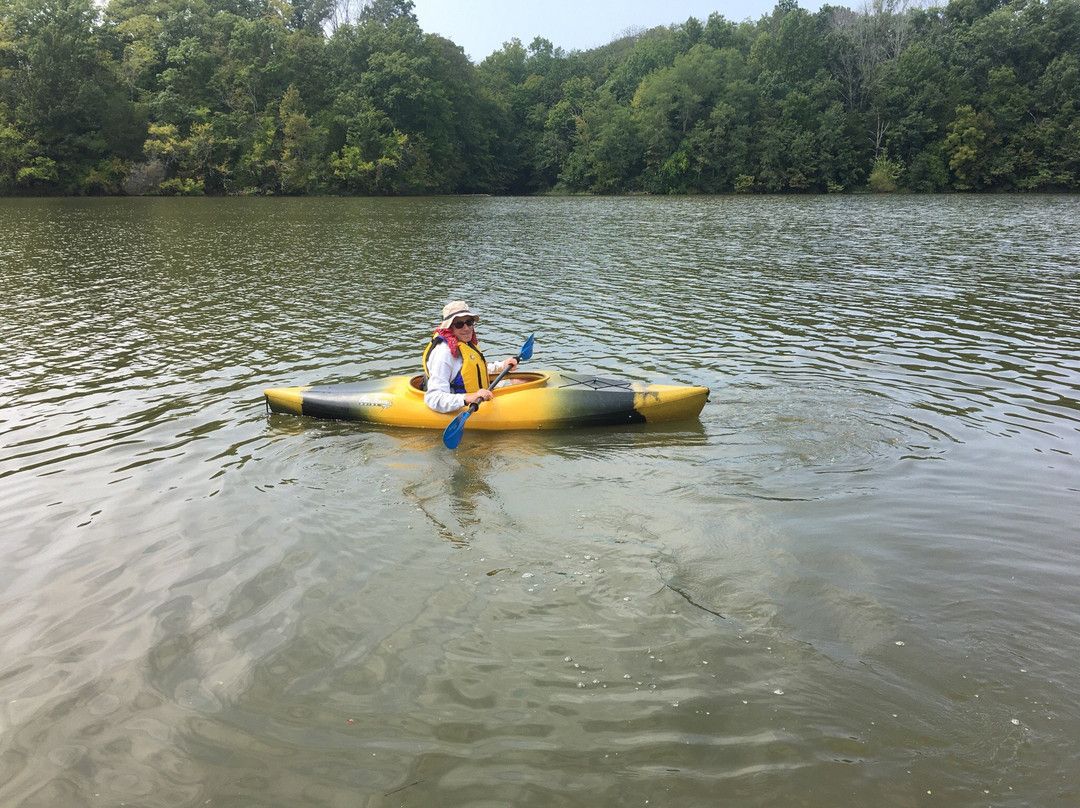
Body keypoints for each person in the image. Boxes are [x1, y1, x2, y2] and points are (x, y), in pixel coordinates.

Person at [422, 301, 518, 413]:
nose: (466, 328)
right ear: (449, 328)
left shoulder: (465, 343)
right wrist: (469, 398)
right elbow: (433, 398)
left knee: (520, 381)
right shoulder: (443, 354)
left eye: (469, 322)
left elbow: (475, 370)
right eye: (459, 324)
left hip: (480, 393)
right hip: (461, 403)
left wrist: (501, 365)